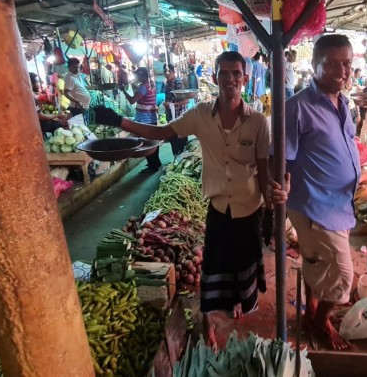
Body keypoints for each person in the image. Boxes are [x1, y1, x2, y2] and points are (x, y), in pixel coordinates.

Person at [92, 51, 287, 350]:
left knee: (243, 263)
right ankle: (208, 319)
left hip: (250, 208)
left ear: (245, 79)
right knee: (212, 267)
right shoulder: (199, 115)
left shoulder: (259, 122)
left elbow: (263, 170)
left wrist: (273, 198)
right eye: (224, 73)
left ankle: (236, 301)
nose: (230, 79)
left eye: (236, 74)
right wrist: (120, 121)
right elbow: (161, 132)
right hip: (219, 208)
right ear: (214, 77)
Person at [284, 34, 360, 350]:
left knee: (317, 262)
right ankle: (319, 324)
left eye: (347, 64)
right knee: (344, 275)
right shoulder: (297, 107)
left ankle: (313, 311)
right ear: (315, 65)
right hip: (315, 205)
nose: (342, 71)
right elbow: (282, 158)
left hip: (339, 203)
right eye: (332, 64)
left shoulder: (342, 103)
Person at [122, 67, 162, 173]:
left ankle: (153, 167)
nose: (136, 77)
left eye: (137, 75)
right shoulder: (151, 85)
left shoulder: (143, 87)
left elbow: (132, 101)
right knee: (153, 142)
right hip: (152, 118)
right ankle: (156, 164)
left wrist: (124, 92)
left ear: (142, 76)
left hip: (145, 120)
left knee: (147, 144)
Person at [164, 64, 190, 157]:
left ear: (173, 72)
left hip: (180, 115)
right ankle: (176, 158)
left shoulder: (178, 83)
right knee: (173, 139)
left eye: (169, 72)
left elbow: (186, 100)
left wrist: (174, 104)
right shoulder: (167, 83)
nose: (167, 74)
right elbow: (168, 98)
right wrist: (166, 103)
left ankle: (183, 157)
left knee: (181, 139)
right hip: (170, 115)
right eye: (165, 72)